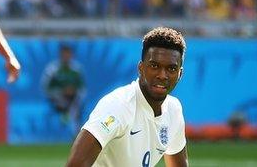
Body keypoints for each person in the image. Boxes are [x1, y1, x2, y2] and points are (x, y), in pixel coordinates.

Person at [66, 27, 189, 167]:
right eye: (154, 66)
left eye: (171, 69)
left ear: (180, 74)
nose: (162, 75)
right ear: (141, 68)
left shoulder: (174, 110)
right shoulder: (118, 105)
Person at [42, 45, 84, 127]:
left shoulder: (76, 69)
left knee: (75, 106)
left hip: (73, 99)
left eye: (68, 54)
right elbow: (45, 88)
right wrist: (61, 91)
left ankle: (76, 131)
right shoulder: (52, 69)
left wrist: (74, 91)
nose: (66, 56)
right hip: (56, 100)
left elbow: (82, 89)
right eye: (64, 54)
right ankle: (65, 117)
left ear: (72, 55)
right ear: (60, 55)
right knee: (64, 104)